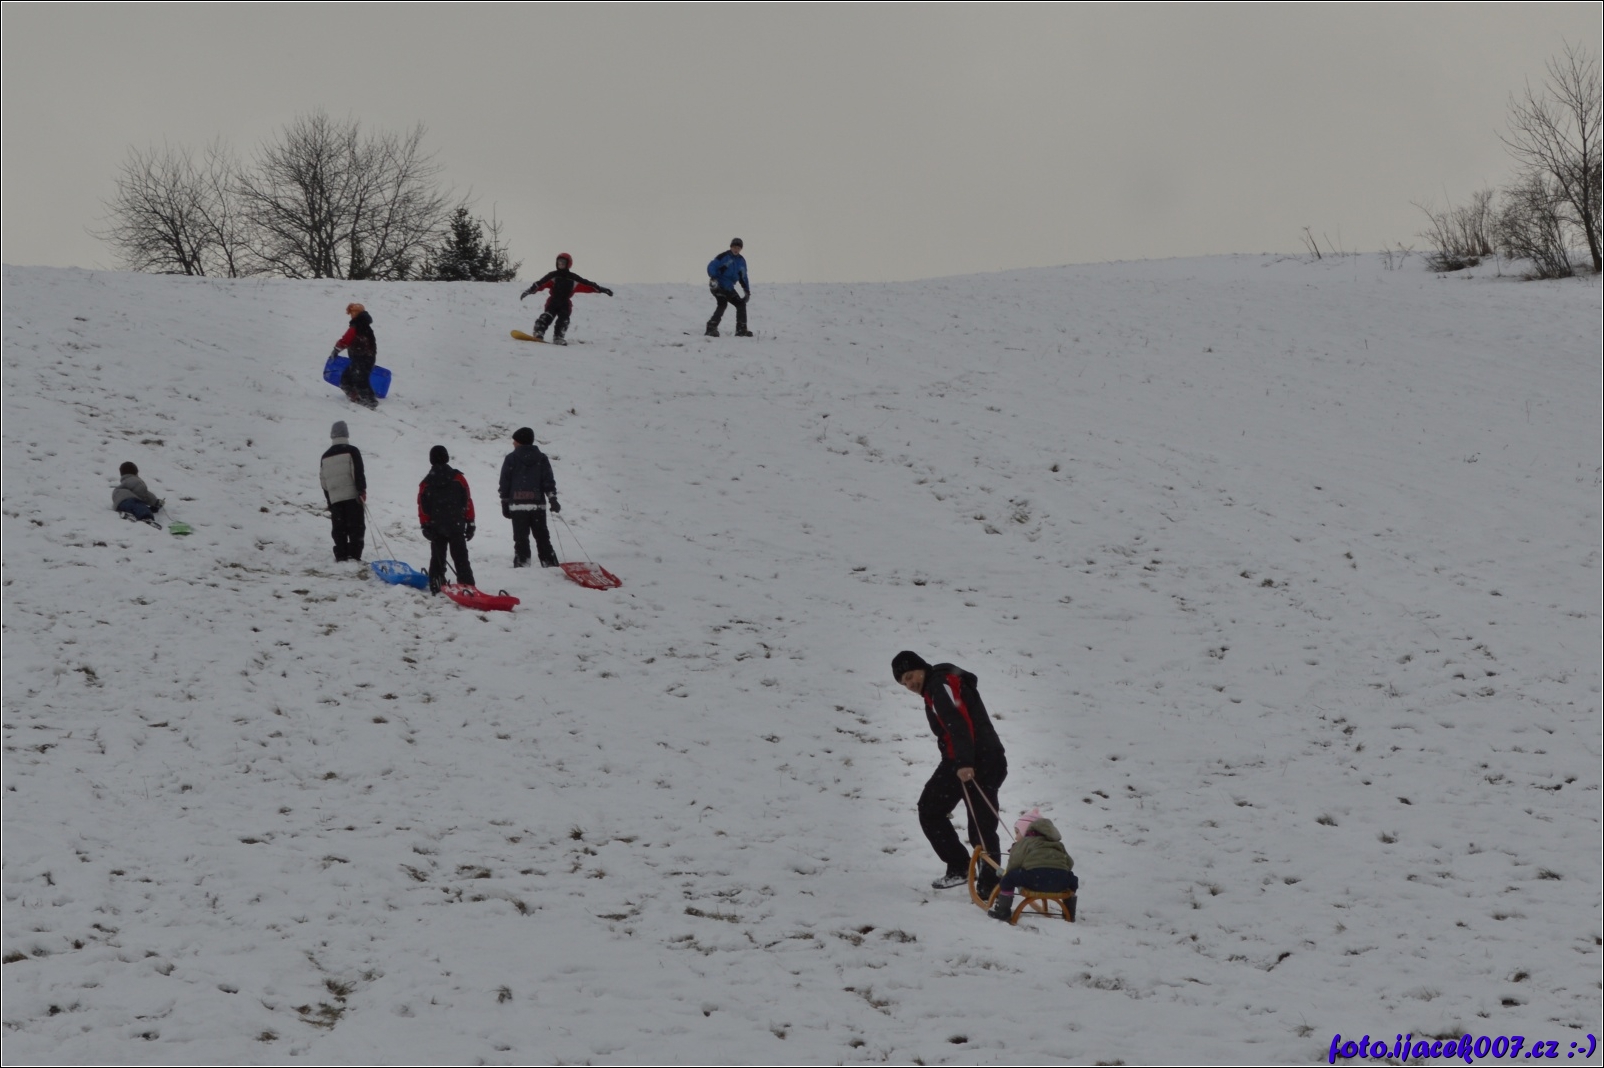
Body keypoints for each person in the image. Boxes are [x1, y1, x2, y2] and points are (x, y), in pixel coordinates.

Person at [892, 650, 1008, 894]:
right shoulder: (933, 689)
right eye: (904, 683)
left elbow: (958, 721)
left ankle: (991, 884)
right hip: (959, 760)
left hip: (980, 759)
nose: (909, 684)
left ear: (922, 668)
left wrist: (965, 762)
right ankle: (959, 866)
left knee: (981, 823)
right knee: (930, 808)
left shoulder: (940, 684)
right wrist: (959, 761)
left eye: (910, 676)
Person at [986, 810, 1077, 922]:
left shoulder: (1027, 842)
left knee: (1008, 878)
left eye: (1017, 832)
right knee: (1073, 879)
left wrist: (1007, 874)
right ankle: (1069, 912)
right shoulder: (1058, 844)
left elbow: (1015, 862)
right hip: (1060, 882)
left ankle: (1003, 911)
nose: (1016, 837)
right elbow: (1070, 863)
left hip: (1034, 879)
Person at [498, 426, 560, 568]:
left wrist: (504, 502)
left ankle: (522, 565)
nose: (513, 443)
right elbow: (548, 480)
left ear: (520, 441)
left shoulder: (511, 458)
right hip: (538, 505)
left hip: (518, 506)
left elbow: (504, 482)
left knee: (521, 539)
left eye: (515, 440)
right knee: (542, 537)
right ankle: (550, 564)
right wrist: (552, 498)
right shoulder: (542, 458)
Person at [417, 445, 476, 594]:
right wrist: (470, 522)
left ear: (431, 460)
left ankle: (436, 583)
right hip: (456, 524)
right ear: (447, 458)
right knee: (461, 557)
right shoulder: (458, 478)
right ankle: (467, 586)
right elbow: (467, 501)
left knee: (437, 557)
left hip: (436, 526)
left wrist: (425, 525)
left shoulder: (426, 483)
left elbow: (422, 506)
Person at [519, 253, 613, 345]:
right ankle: (539, 332)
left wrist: (601, 289)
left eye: (563, 262)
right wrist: (529, 291)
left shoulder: (573, 278)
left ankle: (558, 337)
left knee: (564, 319)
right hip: (553, 301)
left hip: (565, 303)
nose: (561, 264)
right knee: (547, 316)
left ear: (568, 264)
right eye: (559, 262)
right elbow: (540, 283)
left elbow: (588, 285)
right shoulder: (553, 275)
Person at [320, 420, 367, 563]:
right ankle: (354, 555)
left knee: (339, 528)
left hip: (335, 498)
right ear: (346, 434)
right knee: (356, 527)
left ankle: (341, 554)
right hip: (352, 497)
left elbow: (323, 481)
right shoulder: (352, 451)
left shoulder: (325, 456)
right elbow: (357, 472)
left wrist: (330, 500)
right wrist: (361, 490)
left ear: (332, 435)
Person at [332, 303, 379, 409]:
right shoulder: (365, 326)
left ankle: (370, 401)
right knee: (347, 379)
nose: (351, 315)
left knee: (359, 380)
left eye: (352, 313)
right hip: (365, 358)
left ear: (356, 313)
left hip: (361, 358)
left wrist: (336, 349)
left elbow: (346, 339)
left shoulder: (357, 325)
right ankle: (356, 396)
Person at [705, 238, 752, 337]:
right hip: (718, 285)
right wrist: (713, 277)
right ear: (731, 247)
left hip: (729, 287)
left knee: (741, 304)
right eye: (734, 247)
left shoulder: (741, 261)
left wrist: (746, 290)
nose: (736, 249)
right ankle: (711, 328)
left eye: (738, 248)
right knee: (722, 303)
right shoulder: (724, 256)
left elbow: (743, 276)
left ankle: (741, 330)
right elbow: (712, 265)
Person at [111, 461, 164, 527]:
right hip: (129, 500)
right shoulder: (135, 480)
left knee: (132, 508)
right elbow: (143, 494)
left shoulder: (124, 483)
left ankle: (127, 514)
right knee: (141, 507)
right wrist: (155, 502)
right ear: (136, 472)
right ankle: (147, 519)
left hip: (118, 503)